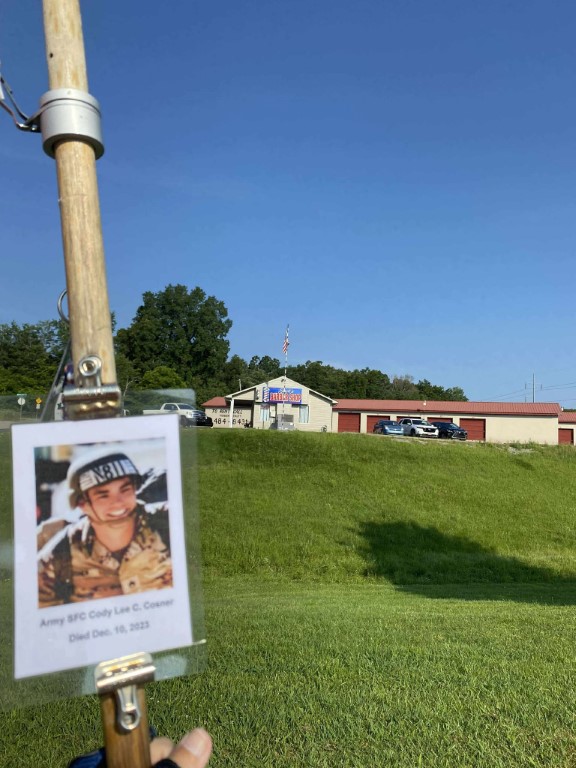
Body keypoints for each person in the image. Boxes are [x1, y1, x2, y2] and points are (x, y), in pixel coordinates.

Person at [38, 446, 172, 606]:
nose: (118, 502)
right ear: (82, 504)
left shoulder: (169, 524)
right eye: (103, 496)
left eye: (125, 489)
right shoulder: (61, 554)